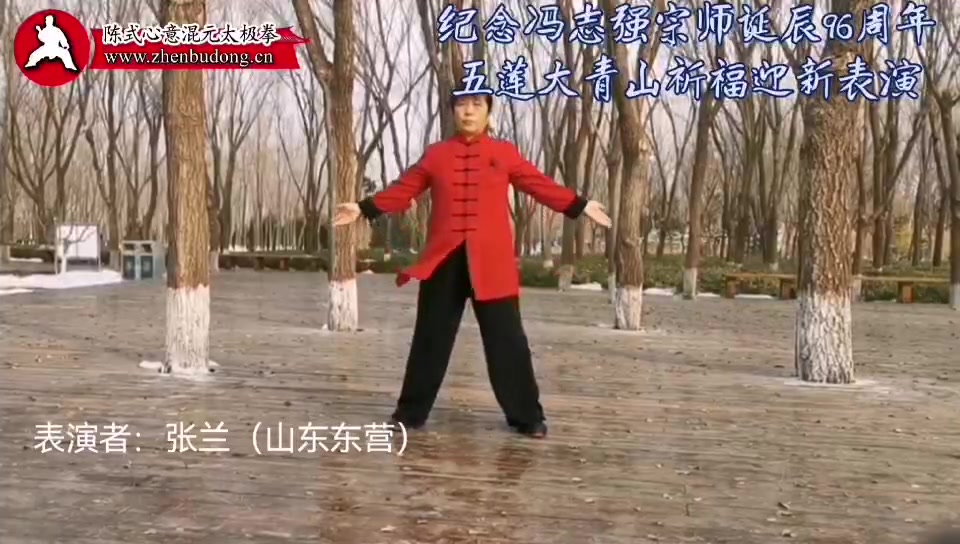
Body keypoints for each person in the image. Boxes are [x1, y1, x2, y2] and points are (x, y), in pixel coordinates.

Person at [333, 91, 611, 438]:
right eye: (461, 105)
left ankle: (527, 417)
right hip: (443, 261)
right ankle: (410, 414)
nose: (468, 111)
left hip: (492, 263)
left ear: (488, 113)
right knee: (430, 338)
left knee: (507, 340)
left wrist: (580, 205)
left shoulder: (504, 153)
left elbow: (539, 184)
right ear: (453, 112)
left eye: (477, 105)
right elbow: (405, 188)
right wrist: (364, 208)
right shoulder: (436, 155)